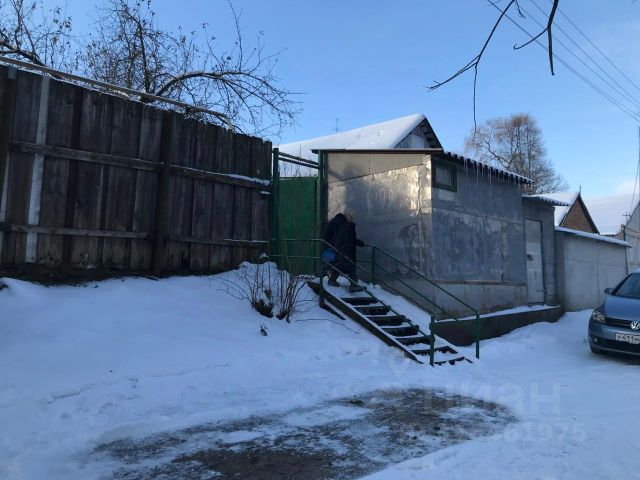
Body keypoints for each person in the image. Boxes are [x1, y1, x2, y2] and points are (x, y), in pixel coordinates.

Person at [323, 210, 365, 292]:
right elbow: (342, 239)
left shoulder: (337, 222)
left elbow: (345, 238)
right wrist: (342, 250)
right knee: (350, 267)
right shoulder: (343, 224)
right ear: (347, 216)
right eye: (351, 218)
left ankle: (332, 280)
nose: (352, 219)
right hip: (342, 250)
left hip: (337, 249)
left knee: (340, 265)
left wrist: (357, 242)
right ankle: (354, 286)